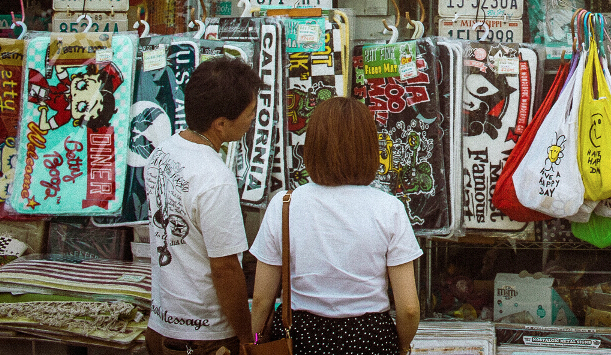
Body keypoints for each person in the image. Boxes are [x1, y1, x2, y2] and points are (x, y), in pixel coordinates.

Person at [250, 97, 421, 355]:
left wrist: (253, 341)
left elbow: (262, 300)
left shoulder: (284, 204)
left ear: (313, 145)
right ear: (369, 147)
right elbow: (408, 308)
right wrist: (403, 345)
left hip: (301, 336)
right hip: (371, 336)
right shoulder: (389, 208)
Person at [144, 57, 262, 355]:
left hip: (162, 326)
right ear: (221, 124)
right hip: (203, 337)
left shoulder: (163, 152)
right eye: (249, 114)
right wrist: (248, 338)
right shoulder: (214, 177)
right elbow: (225, 268)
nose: (252, 120)